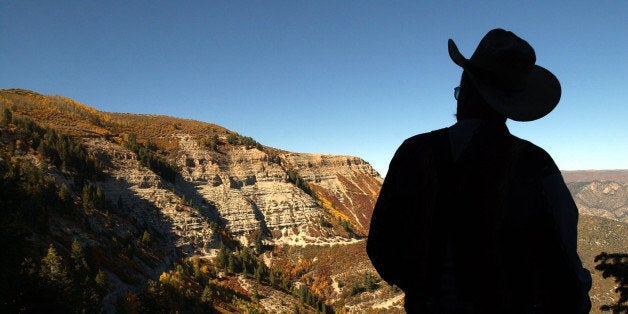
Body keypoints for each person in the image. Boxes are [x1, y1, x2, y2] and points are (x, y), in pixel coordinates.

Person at [366, 29, 592, 313]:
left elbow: (381, 246)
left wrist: (426, 289)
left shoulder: (413, 152)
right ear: (510, 104)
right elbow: (562, 265)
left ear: (465, 91)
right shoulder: (533, 163)